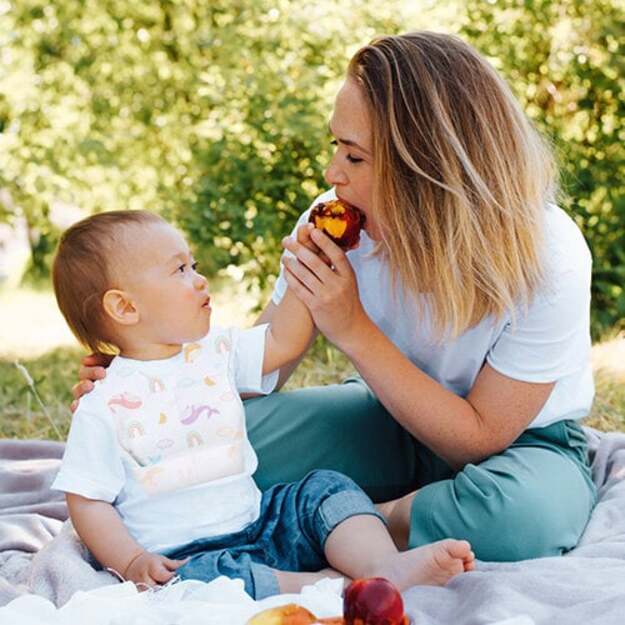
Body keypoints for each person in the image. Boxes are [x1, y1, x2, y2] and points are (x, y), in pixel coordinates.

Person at [73, 32, 597, 562]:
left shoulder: (548, 256)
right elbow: (266, 366)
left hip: (523, 446)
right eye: (335, 147)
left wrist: (350, 327)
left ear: (429, 170)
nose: (332, 174)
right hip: (382, 416)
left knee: (522, 518)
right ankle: (346, 516)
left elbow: (478, 437)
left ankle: (356, 515)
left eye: (355, 156)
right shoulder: (333, 220)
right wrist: (151, 385)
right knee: (211, 447)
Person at [51, 209, 474, 599]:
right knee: (195, 584)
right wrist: (131, 561)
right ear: (125, 307)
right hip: (185, 553)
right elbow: (88, 500)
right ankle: (332, 586)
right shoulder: (103, 401)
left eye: (193, 266)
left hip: (262, 521)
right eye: (180, 270)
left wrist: (309, 261)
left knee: (325, 488)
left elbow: (283, 341)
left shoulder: (215, 351)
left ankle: (383, 566)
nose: (199, 279)